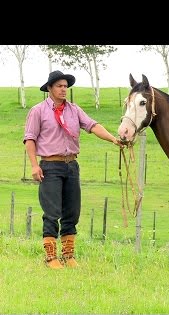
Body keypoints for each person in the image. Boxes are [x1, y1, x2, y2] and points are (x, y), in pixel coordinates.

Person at [23, 70, 123, 269]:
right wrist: (34, 166)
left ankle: (68, 256)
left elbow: (93, 126)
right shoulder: (38, 111)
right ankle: (51, 258)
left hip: (71, 166)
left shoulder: (74, 110)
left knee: (72, 211)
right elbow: (30, 139)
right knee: (51, 212)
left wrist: (113, 138)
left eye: (65, 86)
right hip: (50, 166)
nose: (63, 89)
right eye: (59, 86)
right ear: (49, 88)